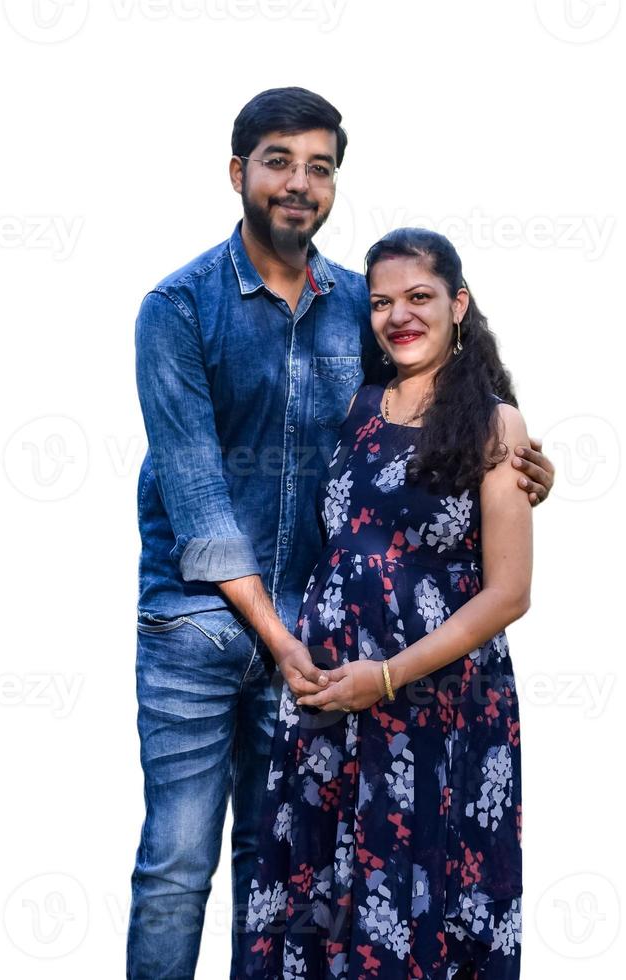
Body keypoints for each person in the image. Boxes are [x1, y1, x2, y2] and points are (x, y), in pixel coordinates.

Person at [128, 87, 553, 980]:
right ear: (237, 172)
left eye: (319, 166)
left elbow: (428, 427)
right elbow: (200, 510)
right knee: (177, 872)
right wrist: (285, 646)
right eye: (278, 161)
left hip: (335, 656)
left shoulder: (362, 305)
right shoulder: (177, 310)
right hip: (206, 634)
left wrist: (515, 467)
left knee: (279, 874)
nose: (299, 182)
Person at [238, 227, 529, 979]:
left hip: (431, 702)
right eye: (382, 303)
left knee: (410, 892)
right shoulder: (357, 404)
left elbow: (509, 592)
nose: (399, 315)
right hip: (329, 698)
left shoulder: (496, 423)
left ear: (459, 304)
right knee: (321, 895)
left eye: (420, 298)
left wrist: (390, 676)